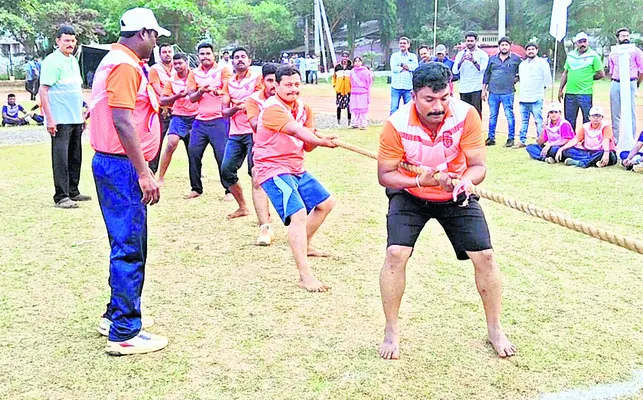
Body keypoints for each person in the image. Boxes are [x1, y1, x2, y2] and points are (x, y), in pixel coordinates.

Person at [377, 62, 516, 360]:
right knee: (395, 254)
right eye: (429, 99)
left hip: (455, 192)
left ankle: (494, 328)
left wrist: (465, 181)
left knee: (486, 256)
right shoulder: (396, 124)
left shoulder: (466, 115)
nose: (438, 106)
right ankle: (391, 330)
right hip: (411, 193)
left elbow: (478, 166)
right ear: (414, 96)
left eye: (444, 98)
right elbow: (385, 175)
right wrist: (418, 179)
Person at [89, 7, 170, 355]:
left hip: (113, 164)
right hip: (121, 166)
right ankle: (124, 330)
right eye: (154, 36)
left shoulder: (116, 60)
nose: (155, 43)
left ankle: (117, 314)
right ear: (143, 33)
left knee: (123, 242)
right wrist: (143, 172)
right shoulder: (124, 66)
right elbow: (123, 122)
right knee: (130, 246)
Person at [254, 65, 338, 292]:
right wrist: (321, 140)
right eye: (288, 85)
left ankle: (306, 244)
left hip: (296, 168)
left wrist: (317, 139)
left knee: (325, 203)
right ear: (277, 87)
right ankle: (305, 275)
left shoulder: (304, 109)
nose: (293, 89)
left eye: (297, 84)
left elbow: (307, 144)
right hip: (272, 168)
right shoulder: (272, 108)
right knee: (298, 213)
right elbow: (296, 131)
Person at [40, 25, 91, 209]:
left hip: (75, 117)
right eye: (66, 40)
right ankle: (61, 196)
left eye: (72, 40)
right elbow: (43, 91)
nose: (70, 44)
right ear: (57, 41)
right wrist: (50, 118)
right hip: (60, 119)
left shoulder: (73, 61)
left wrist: (82, 115)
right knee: (60, 157)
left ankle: (73, 190)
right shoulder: (52, 61)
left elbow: (75, 91)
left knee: (75, 156)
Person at [220, 47, 263, 220]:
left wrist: (246, 105)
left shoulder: (256, 79)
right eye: (236, 57)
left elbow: (261, 100)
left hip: (255, 131)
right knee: (226, 170)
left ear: (249, 60)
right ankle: (243, 207)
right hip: (236, 133)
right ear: (232, 62)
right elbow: (224, 111)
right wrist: (235, 107)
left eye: (243, 56)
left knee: (256, 174)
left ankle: (264, 216)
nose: (240, 59)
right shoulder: (229, 83)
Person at [186, 42, 232, 199]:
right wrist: (201, 91)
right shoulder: (193, 73)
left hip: (219, 119)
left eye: (208, 53)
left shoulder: (223, 70)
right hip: (200, 121)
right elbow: (191, 98)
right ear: (198, 56)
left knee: (221, 155)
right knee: (193, 153)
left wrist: (215, 91)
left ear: (214, 55)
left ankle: (229, 190)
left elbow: (228, 91)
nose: (205, 57)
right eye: (202, 54)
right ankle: (196, 188)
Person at [245, 62, 279, 246]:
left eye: (277, 81)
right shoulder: (254, 100)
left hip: (287, 149)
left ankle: (301, 229)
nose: (274, 85)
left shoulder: (290, 99)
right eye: (270, 81)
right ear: (262, 81)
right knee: (257, 181)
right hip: (263, 146)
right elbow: (255, 125)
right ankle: (264, 228)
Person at [157, 53, 198, 191]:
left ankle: (196, 182)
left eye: (180, 63)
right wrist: (176, 96)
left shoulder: (196, 76)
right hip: (179, 116)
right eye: (176, 64)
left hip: (195, 116)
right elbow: (162, 100)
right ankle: (160, 177)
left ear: (187, 62)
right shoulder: (171, 80)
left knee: (193, 150)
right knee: (171, 144)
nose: (178, 66)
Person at [558, 32, 604, 131]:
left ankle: (586, 141)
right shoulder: (570, 55)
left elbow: (601, 74)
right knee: (569, 120)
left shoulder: (593, 56)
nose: (582, 44)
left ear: (588, 42)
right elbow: (565, 73)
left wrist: (588, 78)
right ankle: (569, 141)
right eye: (580, 42)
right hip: (570, 93)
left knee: (587, 120)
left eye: (584, 41)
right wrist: (560, 89)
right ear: (576, 43)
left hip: (585, 93)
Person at [482, 37, 521, 147]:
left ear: (510, 46)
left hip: (507, 92)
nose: (504, 47)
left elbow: (522, 72)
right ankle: (491, 138)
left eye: (506, 45)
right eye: (502, 45)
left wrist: (516, 79)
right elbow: (487, 74)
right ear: (499, 46)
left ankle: (511, 138)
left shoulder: (516, 59)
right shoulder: (493, 59)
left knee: (509, 115)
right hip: (493, 92)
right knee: (492, 115)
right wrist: (483, 90)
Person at [608, 27, 643, 144]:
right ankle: (616, 140)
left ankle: (631, 140)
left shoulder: (636, 51)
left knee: (631, 111)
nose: (626, 38)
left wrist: (636, 84)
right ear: (618, 38)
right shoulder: (613, 52)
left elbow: (641, 70)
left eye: (627, 36)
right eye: (623, 36)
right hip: (616, 82)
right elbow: (611, 70)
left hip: (631, 81)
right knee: (615, 112)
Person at [518, 42, 552, 148]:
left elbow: (547, 80)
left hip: (536, 97)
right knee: (524, 121)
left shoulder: (542, 63)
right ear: (526, 51)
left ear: (537, 50)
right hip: (524, 97)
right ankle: (522, 141)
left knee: (538, 121)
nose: (531, 51)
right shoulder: (522, 64)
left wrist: (541, 91)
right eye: (528, 49)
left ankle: (540, 141)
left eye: (533, 49)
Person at [148, 43, 175, 173]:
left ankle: (196, 173)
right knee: (157, 141)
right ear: (159, 55)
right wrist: (174, 96)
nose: (167, 54)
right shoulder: (154, 69)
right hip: (162, 110)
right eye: (164, 52)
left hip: (180, 111)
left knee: (192, 143)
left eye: (169, 51)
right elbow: (158, 89)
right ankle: (152, 169)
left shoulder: (179, 67)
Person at [453, 31, 489, 118]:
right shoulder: (460, 54)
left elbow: (483, 70)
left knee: (476, 112)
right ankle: (466, 131)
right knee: (464, 113)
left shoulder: (482, 54)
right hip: (464, 88)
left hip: (476, 88)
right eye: (468, 41)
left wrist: (473, 61)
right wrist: (461, 61)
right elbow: (455, 71)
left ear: (476, 41)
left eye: (471, 41)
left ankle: (477, 131)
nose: (469, 43)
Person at [390, 37, 418, 114]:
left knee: (409, 109)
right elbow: (394, 68)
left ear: (408, 45)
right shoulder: (394, 56)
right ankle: (393, 125)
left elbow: (415, 68)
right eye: (401, 43)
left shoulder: (413, 56)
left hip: (408, 86)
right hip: (396, 86)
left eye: (404, 43)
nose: (402, 45)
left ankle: (408, 125)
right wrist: (407, 67)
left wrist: (402, 65)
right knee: (394, 108)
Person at [349, 56, 373, 129]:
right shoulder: (352, 71)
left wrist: (365, 88)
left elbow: (369, 81)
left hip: (363, 92)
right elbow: (351, 82)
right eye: (355, 61)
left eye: (359, 61)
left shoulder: (365, 71)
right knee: (355, 108)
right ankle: (355, 123)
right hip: (354, 92)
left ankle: (363, 123)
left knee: (363, 108)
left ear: (361, 62)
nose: (357, 63)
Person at [332, 51, 352, 126]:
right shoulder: (337, 67)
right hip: (339, 89)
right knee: (339, 106)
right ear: (341, 57)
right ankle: (338, 122)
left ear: (348, 57)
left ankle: (349, 122)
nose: (345, 58)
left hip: (348, 90)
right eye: (343, 56)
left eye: (346, 57)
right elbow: (334, 77)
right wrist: (335, 85)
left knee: (349, 106)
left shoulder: (351, 67)